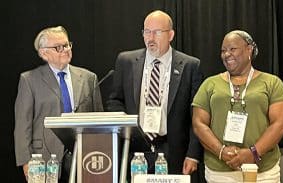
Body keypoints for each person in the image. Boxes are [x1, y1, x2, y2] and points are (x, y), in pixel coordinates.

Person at [107, 10, 205, 182]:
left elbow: (197, 116)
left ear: (171, 35)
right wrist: (127, 132)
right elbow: (116, 101)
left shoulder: (190, 66)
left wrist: (193, 155)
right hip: (135, 150)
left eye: (157, 32)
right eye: (146, 32)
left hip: (173, 151)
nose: (150, 38)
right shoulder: (126, 61)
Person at [192, 30, 283, 183]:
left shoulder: (272, 83)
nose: (227, 54)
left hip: (262, 173)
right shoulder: (210, 84)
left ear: (249, 49)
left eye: (232, 49)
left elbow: (280, 124)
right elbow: (199, 124)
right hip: (220, 172)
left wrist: (253, 153)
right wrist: (221, 151)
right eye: (223, 51)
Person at [14, 25, 103, 182]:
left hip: (85, 156)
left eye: (67, 45)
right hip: (44, 158)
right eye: (58, 47)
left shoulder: (89, 78)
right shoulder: (29, 80)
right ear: (44, 53)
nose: (66, 50)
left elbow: (100, 122)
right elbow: (22, 125)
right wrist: (25, 162)